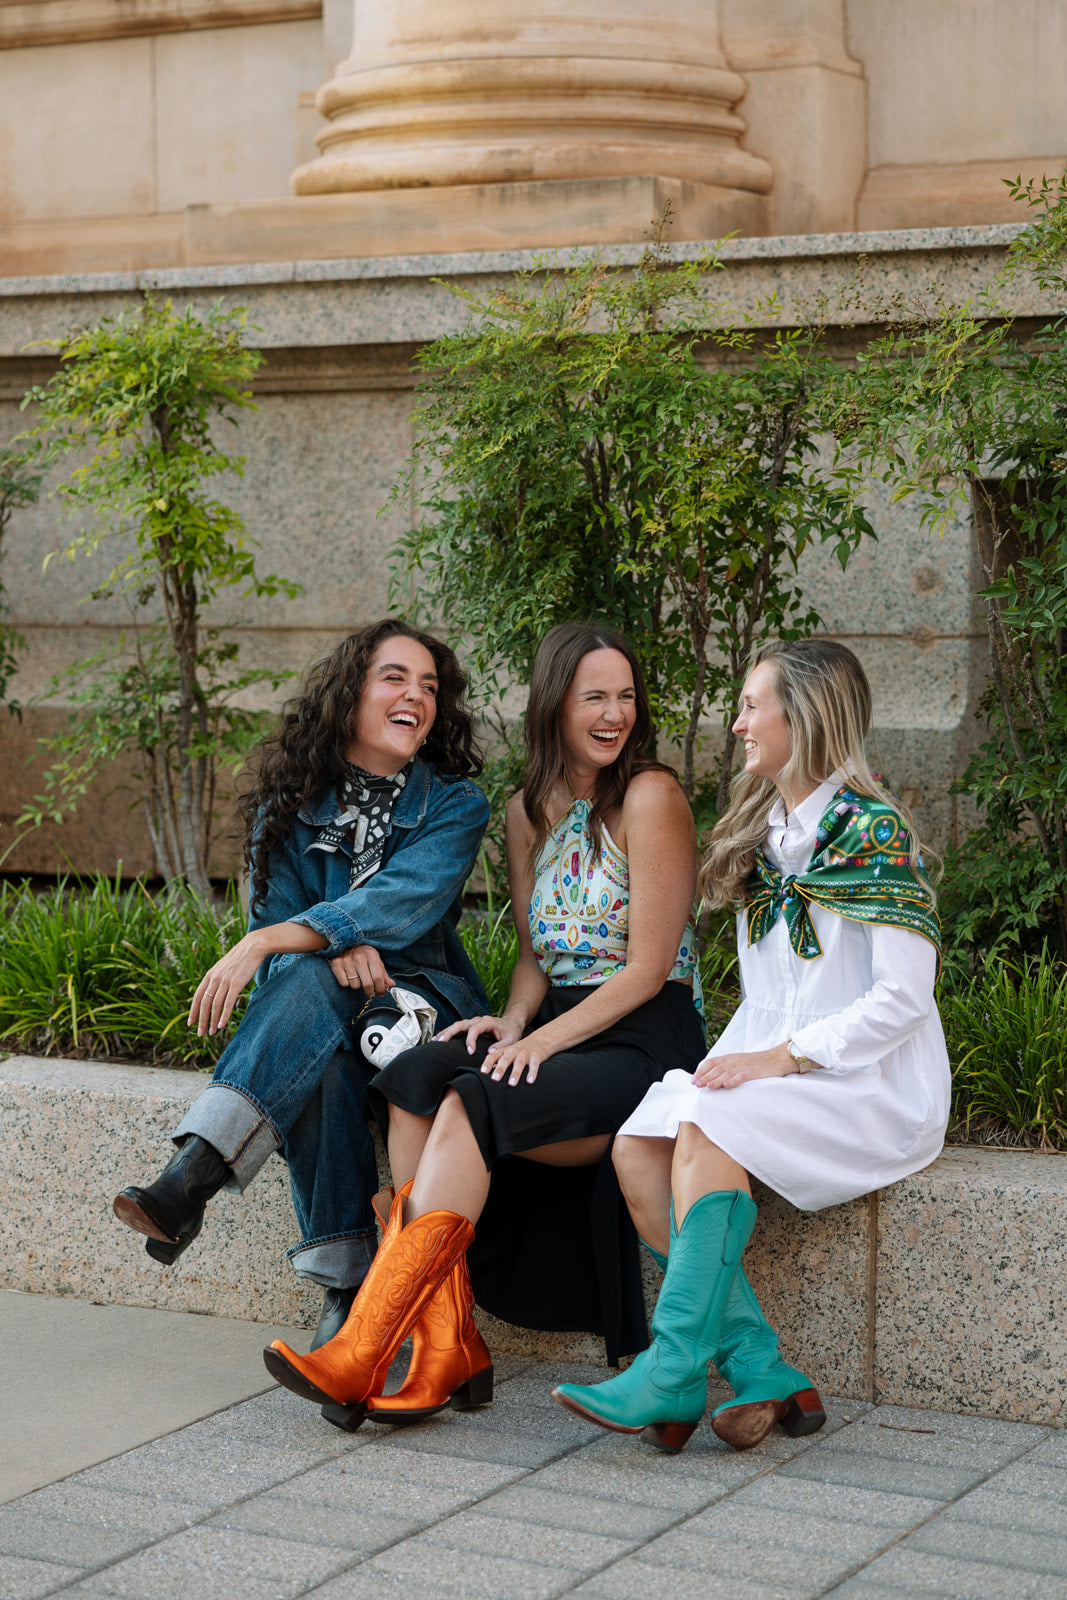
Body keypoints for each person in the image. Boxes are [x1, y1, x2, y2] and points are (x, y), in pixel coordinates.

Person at [262, 621, 707, 1429]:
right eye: (593, 698)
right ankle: (448, 1343)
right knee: (413, 1076)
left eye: (625, 698)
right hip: (561, 1023)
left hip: (645, 1033)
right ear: (554, 706)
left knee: (470, 1101)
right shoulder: (526, 811)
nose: (614, 715)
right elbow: (537, 957)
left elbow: (647, 969)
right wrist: (512, 1020)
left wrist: (541, 1043)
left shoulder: (651, 796)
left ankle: (366, 1344)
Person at [552, 638, 949, 1453]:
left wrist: (780, 1060)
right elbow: (772, 998)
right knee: (637, 1142)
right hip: (784, 1064)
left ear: (801, 718)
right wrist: (732, 1065)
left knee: (702, 1128)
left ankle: (671, 1370)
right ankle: (758, 1366)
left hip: (870, 1081)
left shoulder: (870, 831)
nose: (736, 725)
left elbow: (903, 999)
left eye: (750, 707)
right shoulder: (766, 831)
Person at [113, 619, 490, 1348]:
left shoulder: (453, 804)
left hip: (420, 1004)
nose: (416, 695)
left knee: (310, 975)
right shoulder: (286, 805)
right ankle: (346, 1290)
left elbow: (402, 905)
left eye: (429, 686)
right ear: (348, 695)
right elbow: (294, 955)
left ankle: (194, 1180)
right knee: (322, 1059)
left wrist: (271, 940)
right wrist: (323, 946)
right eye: (394, 678)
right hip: (320, 1014)